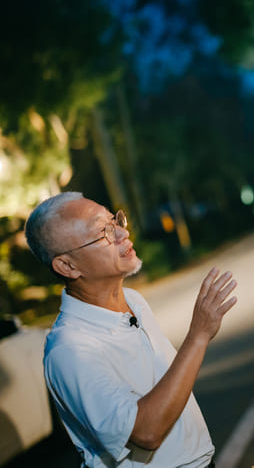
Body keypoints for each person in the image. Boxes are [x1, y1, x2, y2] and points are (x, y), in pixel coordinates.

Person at [24, 192, 237, 468]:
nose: (123, 233)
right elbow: (146, 432)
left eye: (115, 220)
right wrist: (198, 336)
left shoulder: (134, 300)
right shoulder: (70, 349)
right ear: (67, 265)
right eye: (104, 232)